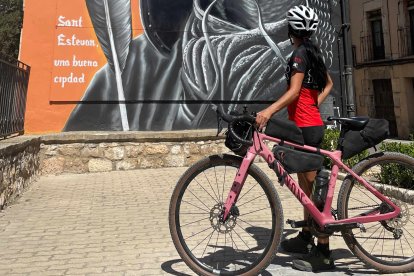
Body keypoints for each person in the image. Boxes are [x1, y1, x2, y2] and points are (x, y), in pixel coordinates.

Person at [255, 5, 334, 272]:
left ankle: (323, 253)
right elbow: (329, 84)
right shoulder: (313, 51)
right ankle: (306, 237)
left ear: (291, 29)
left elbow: (294, 91)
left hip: (307, 127)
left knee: (314, 192)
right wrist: (313, 105)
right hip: (308, 123)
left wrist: (268, 111)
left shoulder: (301, 53)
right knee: (305, 189)